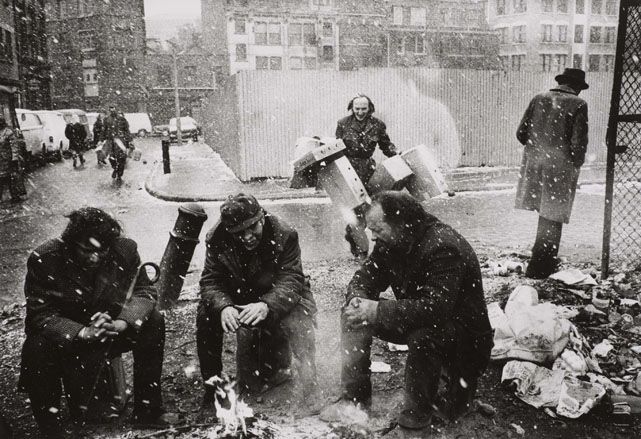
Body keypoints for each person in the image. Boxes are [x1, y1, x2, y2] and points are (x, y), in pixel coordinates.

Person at [320, 191, 493, 430]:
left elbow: (435, 308)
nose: (373, 238)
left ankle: (416, 419)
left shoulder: (443, 247)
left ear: (401, 225)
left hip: (463, 340)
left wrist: (378, 310)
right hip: (422, 321)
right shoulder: (392, 241)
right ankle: (355, 401)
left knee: (425, 336)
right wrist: (358, 300)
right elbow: (366, 277)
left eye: (378, 229)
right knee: (353, 316)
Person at [18, 207, 181, 438]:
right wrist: (82, 332)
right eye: (86, 250)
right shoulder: (45, 259)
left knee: (153, 321)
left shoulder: (125, 249)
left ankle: (148, 410)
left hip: (110, 330)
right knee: (36, 348)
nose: (94, 257)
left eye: (101, 250)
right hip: (69, 338)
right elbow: (40, 315)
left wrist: (123, 322)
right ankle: (51, 429)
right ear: (71, 243)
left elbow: (144, 291)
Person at [196, 193, 317, 410]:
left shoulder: (285, 234)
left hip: (277, 293)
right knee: (205, 315)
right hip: (238, 295)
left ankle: (310, 387)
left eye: (252, 228)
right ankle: (213, 388)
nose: (248, 236)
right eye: (239, 233)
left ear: (261, 217)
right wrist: (223, 306)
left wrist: (267, 305)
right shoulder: (217, 238)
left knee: (300, 318)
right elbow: (210, 280)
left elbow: (291, 279)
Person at [515, 68, 589, 279]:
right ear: (576, 87)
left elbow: (521, 133)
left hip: (536, 166)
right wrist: (575, 162)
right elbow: (578, 143)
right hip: (560, 169)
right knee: (553, 216)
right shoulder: (578, 104)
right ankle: (542, 266)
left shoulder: (539, 98)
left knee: (544, 214)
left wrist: (538, 149)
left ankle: (539, 263)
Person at [335, 94, 397, 259]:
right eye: (357, 109)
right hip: (349, 171)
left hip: (369, 171)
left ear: (370, 108)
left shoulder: (377, 125)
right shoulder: (343, 124)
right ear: (352, 108)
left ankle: (378, 246)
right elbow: (336, 148)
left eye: (364, 108)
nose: (360, 112)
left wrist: (397, 154)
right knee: (355, 211)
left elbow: (386, 145)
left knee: (373, 207)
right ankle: (360, 250)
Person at [100, 105, 132, 180]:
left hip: (121, 142)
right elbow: (103, 131)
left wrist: (129, 140)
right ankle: (115, 168)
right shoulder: (106, 120)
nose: (112, 110)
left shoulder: (122, 119)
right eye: (110, 109)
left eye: (113, 108)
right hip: (111, 142)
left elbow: (127, 130)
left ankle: (120, 173)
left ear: (116, 109)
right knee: (111, 158)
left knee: (122, 159)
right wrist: (101, 140)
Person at [0, 116, 25, 203]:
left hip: (8, 160)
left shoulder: (8, 132)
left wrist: (14, 158)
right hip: (1, 161)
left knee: (12, 178)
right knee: (2, 179)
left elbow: (14, 146)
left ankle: (15, 196)